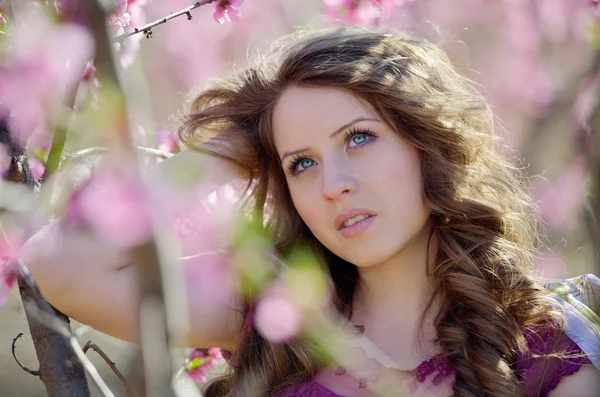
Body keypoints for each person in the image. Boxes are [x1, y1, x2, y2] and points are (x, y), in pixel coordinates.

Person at [22, 26, 600, 396]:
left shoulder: (541, 346)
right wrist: (239, 146)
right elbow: (60, 264)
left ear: (427, 144)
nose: (334, 186)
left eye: (359, 139)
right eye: (302, 164)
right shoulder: (271, 313)